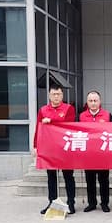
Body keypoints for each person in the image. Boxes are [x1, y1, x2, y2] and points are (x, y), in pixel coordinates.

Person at [34, 85, 76, 215]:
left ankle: (71, 203)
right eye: (53, 94)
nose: (56, 97)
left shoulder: (69, 108)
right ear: (49, 95)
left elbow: (68, 123)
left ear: (62, 95)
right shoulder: (43, 110)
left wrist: (51, 120)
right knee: (51, 177)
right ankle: (52, 202)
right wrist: (36, 146)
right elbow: (38, 128)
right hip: (49, 148)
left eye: (58, 94)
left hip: (65, 148)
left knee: (68, 176)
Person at [79, 90, 112, 212]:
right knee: (90, 180)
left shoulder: (107, 115)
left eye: (95, 100)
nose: (93, 103)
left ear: (100, 101)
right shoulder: (81, 116)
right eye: (90, 101)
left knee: (104, 180)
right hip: (88, 154)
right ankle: (92, 203)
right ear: (87, 102)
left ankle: (105, 203)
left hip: (103, 154)